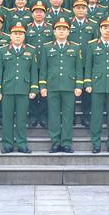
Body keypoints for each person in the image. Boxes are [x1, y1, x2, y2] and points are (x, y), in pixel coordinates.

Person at [40, 19, 83, 153]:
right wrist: (42, 86)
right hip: (52, 86)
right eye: (59, 29)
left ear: (68, 31)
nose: (61, 31)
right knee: (53, 115)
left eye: (64, 29)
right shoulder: (47, 47)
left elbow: (78, 68)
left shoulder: (75, 47)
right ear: (54, 31)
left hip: (69, 86)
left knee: (68, 115)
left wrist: (79, 85)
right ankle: (55, 142)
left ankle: (66, 142)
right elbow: (43, 69)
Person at [0, 23, 38, 153]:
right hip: (7, 89)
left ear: (24, 36)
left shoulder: (31, 50)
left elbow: (33, 71)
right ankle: (7, 144)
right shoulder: (3, 50)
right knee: (7, 118)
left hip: (23, 89)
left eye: (20, 34)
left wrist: (34, 88)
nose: (18, 36)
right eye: (15, 34)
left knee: (21, 118)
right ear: (10, 36)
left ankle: (22, 143)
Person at [85, 18, 109, 153]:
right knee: (96, 116)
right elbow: (88, 66)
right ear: (100, 29)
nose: (107, 30)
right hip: (97, 84)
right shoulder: (92, 45)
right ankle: (96, 144)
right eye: (105, 28)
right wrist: (88, 82)